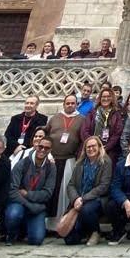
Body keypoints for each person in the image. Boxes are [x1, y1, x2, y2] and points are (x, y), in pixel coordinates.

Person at [4, 135, 55, 246]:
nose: (42, 150)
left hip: (37, 205)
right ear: (36, 146)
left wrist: (27, 194)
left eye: (46, 148)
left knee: (36, 240)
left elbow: (47, 193)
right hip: (20, 203)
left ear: (50, 150)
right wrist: (30, 205)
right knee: (14, 214)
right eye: (40, 146)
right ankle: (12, 234)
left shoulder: (51, 168)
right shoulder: (22, 164)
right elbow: (12, 190)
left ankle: (25, 229)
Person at [64, 136, 113, 246]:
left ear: (99, 147)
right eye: (88, 147)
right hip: (78, 200)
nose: (90, 149)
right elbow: (71, 184)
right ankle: (85, 232)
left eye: (93, 146)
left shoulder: (106, 162)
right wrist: (76, 198)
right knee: (70, 240)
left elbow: (103, 186)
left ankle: (95, 232)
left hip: (98, 199)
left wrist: (83, 198)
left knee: (86, 209)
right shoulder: (80, 163)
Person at [46, 93, 84, 228]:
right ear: (64, 104)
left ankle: (63, 223)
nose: (70, 105)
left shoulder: (81, 119)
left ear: (76, 104)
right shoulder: (55, 118)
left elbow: (83, 139)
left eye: (73, 103)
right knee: (53, 191)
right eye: (67, 103)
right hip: (53, 159)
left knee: (65, 192)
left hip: (69, 159)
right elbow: (46, 134)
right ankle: (50, 224)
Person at [82, 88, 125, 166]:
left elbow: (117, 133)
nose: (106, 99)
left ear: (112, 98)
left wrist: (105, 147)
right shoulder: (92, 113)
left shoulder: (116, 114)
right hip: (91, 150)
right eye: (103, 97)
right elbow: (84, 130)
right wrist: (93, 145)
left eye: (108, 96)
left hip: (109, 152)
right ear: (100, 98)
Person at [3, 95, 48, 163]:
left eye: (31, 103)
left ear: (36, 106)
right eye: (27, 103)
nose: (28, 105)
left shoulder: (42, 119)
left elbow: (39, 137)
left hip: (30, 152)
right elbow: (8, 135)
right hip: (13, 150)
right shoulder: (15, 118)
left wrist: (23, 149)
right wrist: (17, 146)